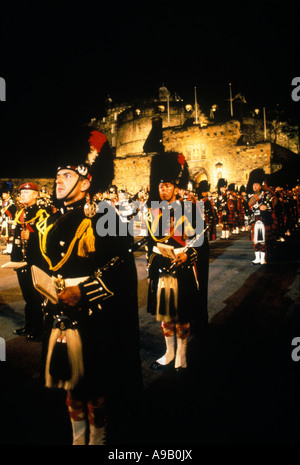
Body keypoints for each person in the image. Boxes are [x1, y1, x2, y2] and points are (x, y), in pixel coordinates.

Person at [35, 127, 142, 445]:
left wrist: (84, 291)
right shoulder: (53, 218)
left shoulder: (105, 215)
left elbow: (122, 270)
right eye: (58, 175)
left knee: (95, 389)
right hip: (59, 316)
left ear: (86, 181)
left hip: (94, 319)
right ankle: (77, 440)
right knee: (70, 388)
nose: (59, 181)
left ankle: (97, 441)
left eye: (66, 175)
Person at [145, 150, 205, 371]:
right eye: (161, 186)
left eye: (168, 186)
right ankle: (169, 351)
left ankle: (182, 353)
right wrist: (152, 264)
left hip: (183, 264)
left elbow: (199, 239)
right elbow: (149, 242)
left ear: (176, 188)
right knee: (166, 313)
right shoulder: (153, 211)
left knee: (182, 313)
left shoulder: (189, 208)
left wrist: (187, 254)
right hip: (162, 266)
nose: (164, 189)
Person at [11, 182, 48, 340]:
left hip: (35, 261)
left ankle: (39, 329)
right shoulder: (20, 213)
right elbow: (16, 240)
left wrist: (32, 237)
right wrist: (14, 259)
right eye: (22, 192)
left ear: (36, 195)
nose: (23, 195)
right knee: (27, 297)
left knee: (35, 297)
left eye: (27, 192)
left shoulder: (42, 213)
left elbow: (47, 237)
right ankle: (29, 326)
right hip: (22, 262)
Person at [247, 168, 274, 265]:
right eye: (253, 185)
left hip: (264, 219)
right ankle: (257, 258)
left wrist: (266, 207)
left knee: (262, 239)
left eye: (256, 185)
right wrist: (248, 223)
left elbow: (271, 206)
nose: (254, 186)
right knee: (255, 240)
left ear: (260, 185)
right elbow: (249, 211)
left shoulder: (266, 195)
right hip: (255, 220)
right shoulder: (251, 196)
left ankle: (263, 258)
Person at [1, 181, 17, 254]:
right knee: (6, 236)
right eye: (2, 193)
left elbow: (13, 213)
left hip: (10, 221)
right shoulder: (4, 203)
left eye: (4, 194)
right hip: (5, 221)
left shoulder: (11, 203)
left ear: (8, 194)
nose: (3, 195)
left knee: (10, 235)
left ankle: (10, 249)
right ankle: (8, 248)